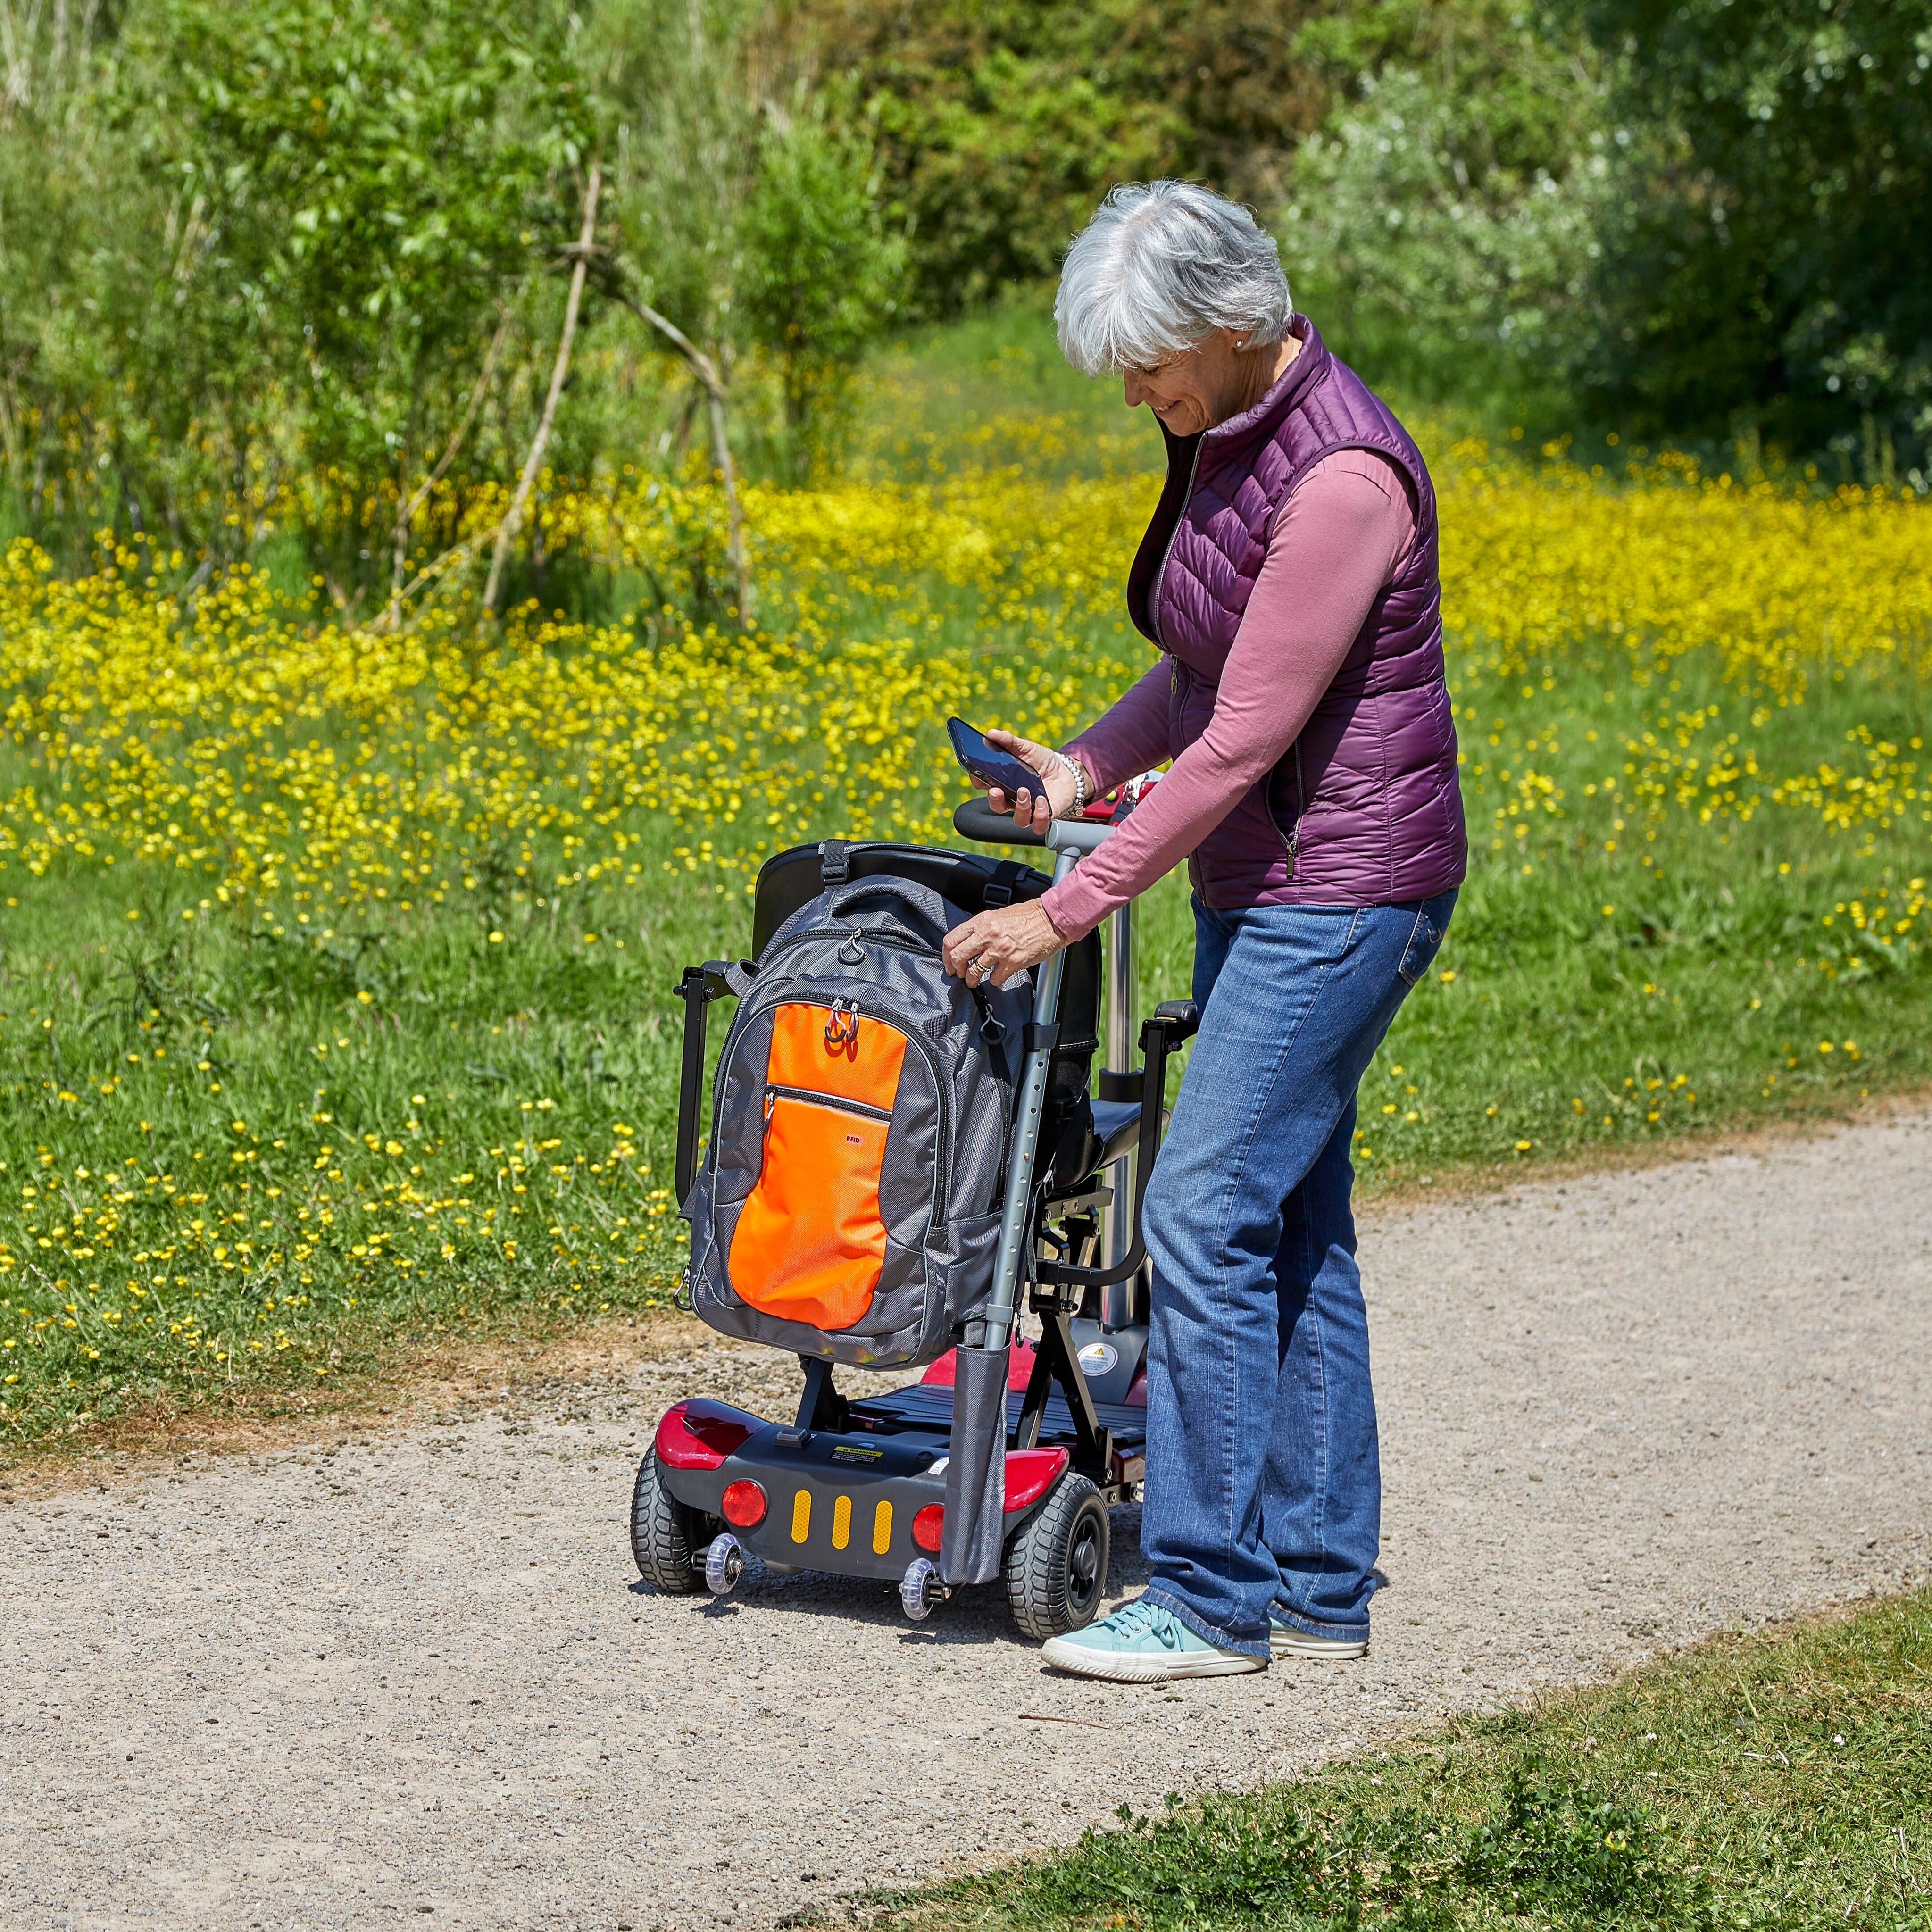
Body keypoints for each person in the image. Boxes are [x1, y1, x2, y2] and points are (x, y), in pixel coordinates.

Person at [939, 180, 1466, 1683]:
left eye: (1154, 362)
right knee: (1289, 1224)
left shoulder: (1343, 479)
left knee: (1202, 1212)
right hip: (1273, 879)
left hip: (1347, 888)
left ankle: (1214, 1601)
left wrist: (1065, 909)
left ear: (1238, 326)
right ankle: (1314, 1585)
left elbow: (1240, 744)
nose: (1136, 391)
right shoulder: (1224, 437)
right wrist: (1078, 773)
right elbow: (1197, 670)